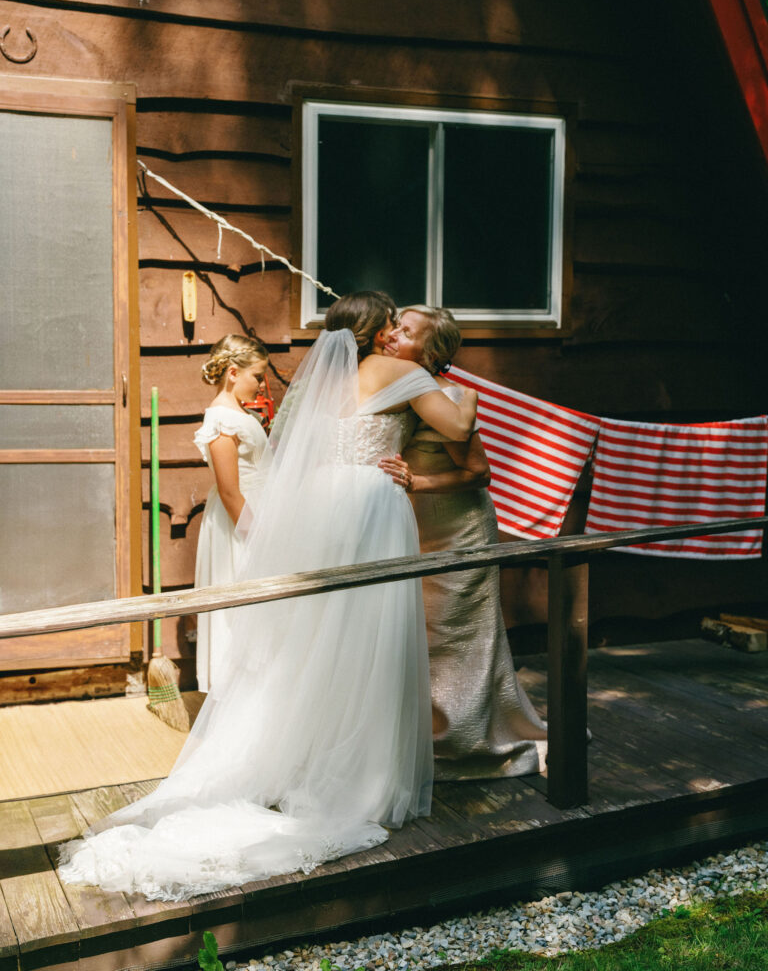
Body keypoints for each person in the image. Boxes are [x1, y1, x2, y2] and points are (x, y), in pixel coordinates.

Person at [59, 291, 477, 901]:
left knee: (313, 642)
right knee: (367, 643)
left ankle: (300, 761)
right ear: (373, 330)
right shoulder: (406, 372)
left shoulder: (319, 384)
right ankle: (357, 774)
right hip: (371, 505)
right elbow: (460, 427)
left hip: (320, 507)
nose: (393, 333)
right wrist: (458, 390)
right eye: (390, 323)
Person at [378, 305, 547, 780]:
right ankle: (424, 731)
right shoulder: (396, 387)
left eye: (405, 332)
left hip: (459, 532)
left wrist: (417, 484)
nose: (392, 335)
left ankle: (463, 741)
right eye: (393, 326)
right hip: (413, 531)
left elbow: (480, 474)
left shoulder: (447, 396)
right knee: (420, 635)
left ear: (430, 352)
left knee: (453, 638)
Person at [194, 334, 270, 692]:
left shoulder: (240, 413)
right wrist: (257, 535)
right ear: (233, 373)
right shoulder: (221, 420)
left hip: (259, 508)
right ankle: (237, 689)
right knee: (239, 603)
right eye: (258, 375)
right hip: (239, 520)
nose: (262, 383)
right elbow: (228, 490)